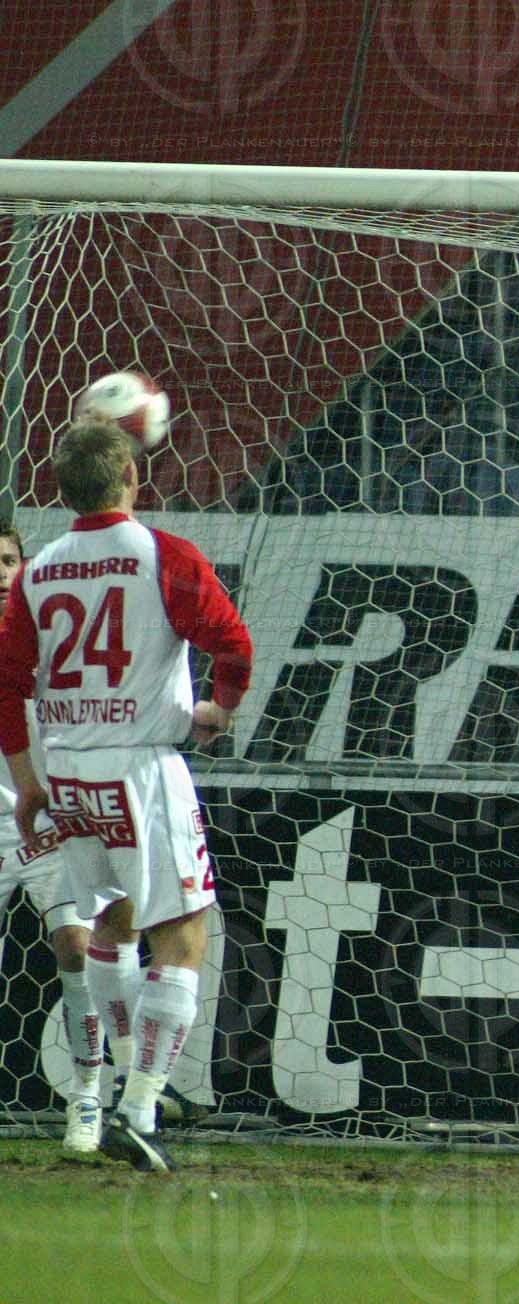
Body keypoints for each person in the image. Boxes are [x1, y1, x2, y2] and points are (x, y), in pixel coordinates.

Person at [0, 420, 252, 1172]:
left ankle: (117, 1079)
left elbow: (9, 685)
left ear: (62, 490)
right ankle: (139, 1105)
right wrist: (219, 710)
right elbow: (233, 645)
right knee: (185, 931)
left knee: (113, 924)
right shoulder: (162, 556)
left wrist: (27, 785)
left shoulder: (39, 571)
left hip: (71, 772)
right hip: (142, 767)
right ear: (132, 481)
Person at [0, 518, 103, 1152]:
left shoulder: (46, 645)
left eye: (7, 559)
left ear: (25, 569)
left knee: (75, 947)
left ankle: (87, 1098)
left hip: (42, 818)